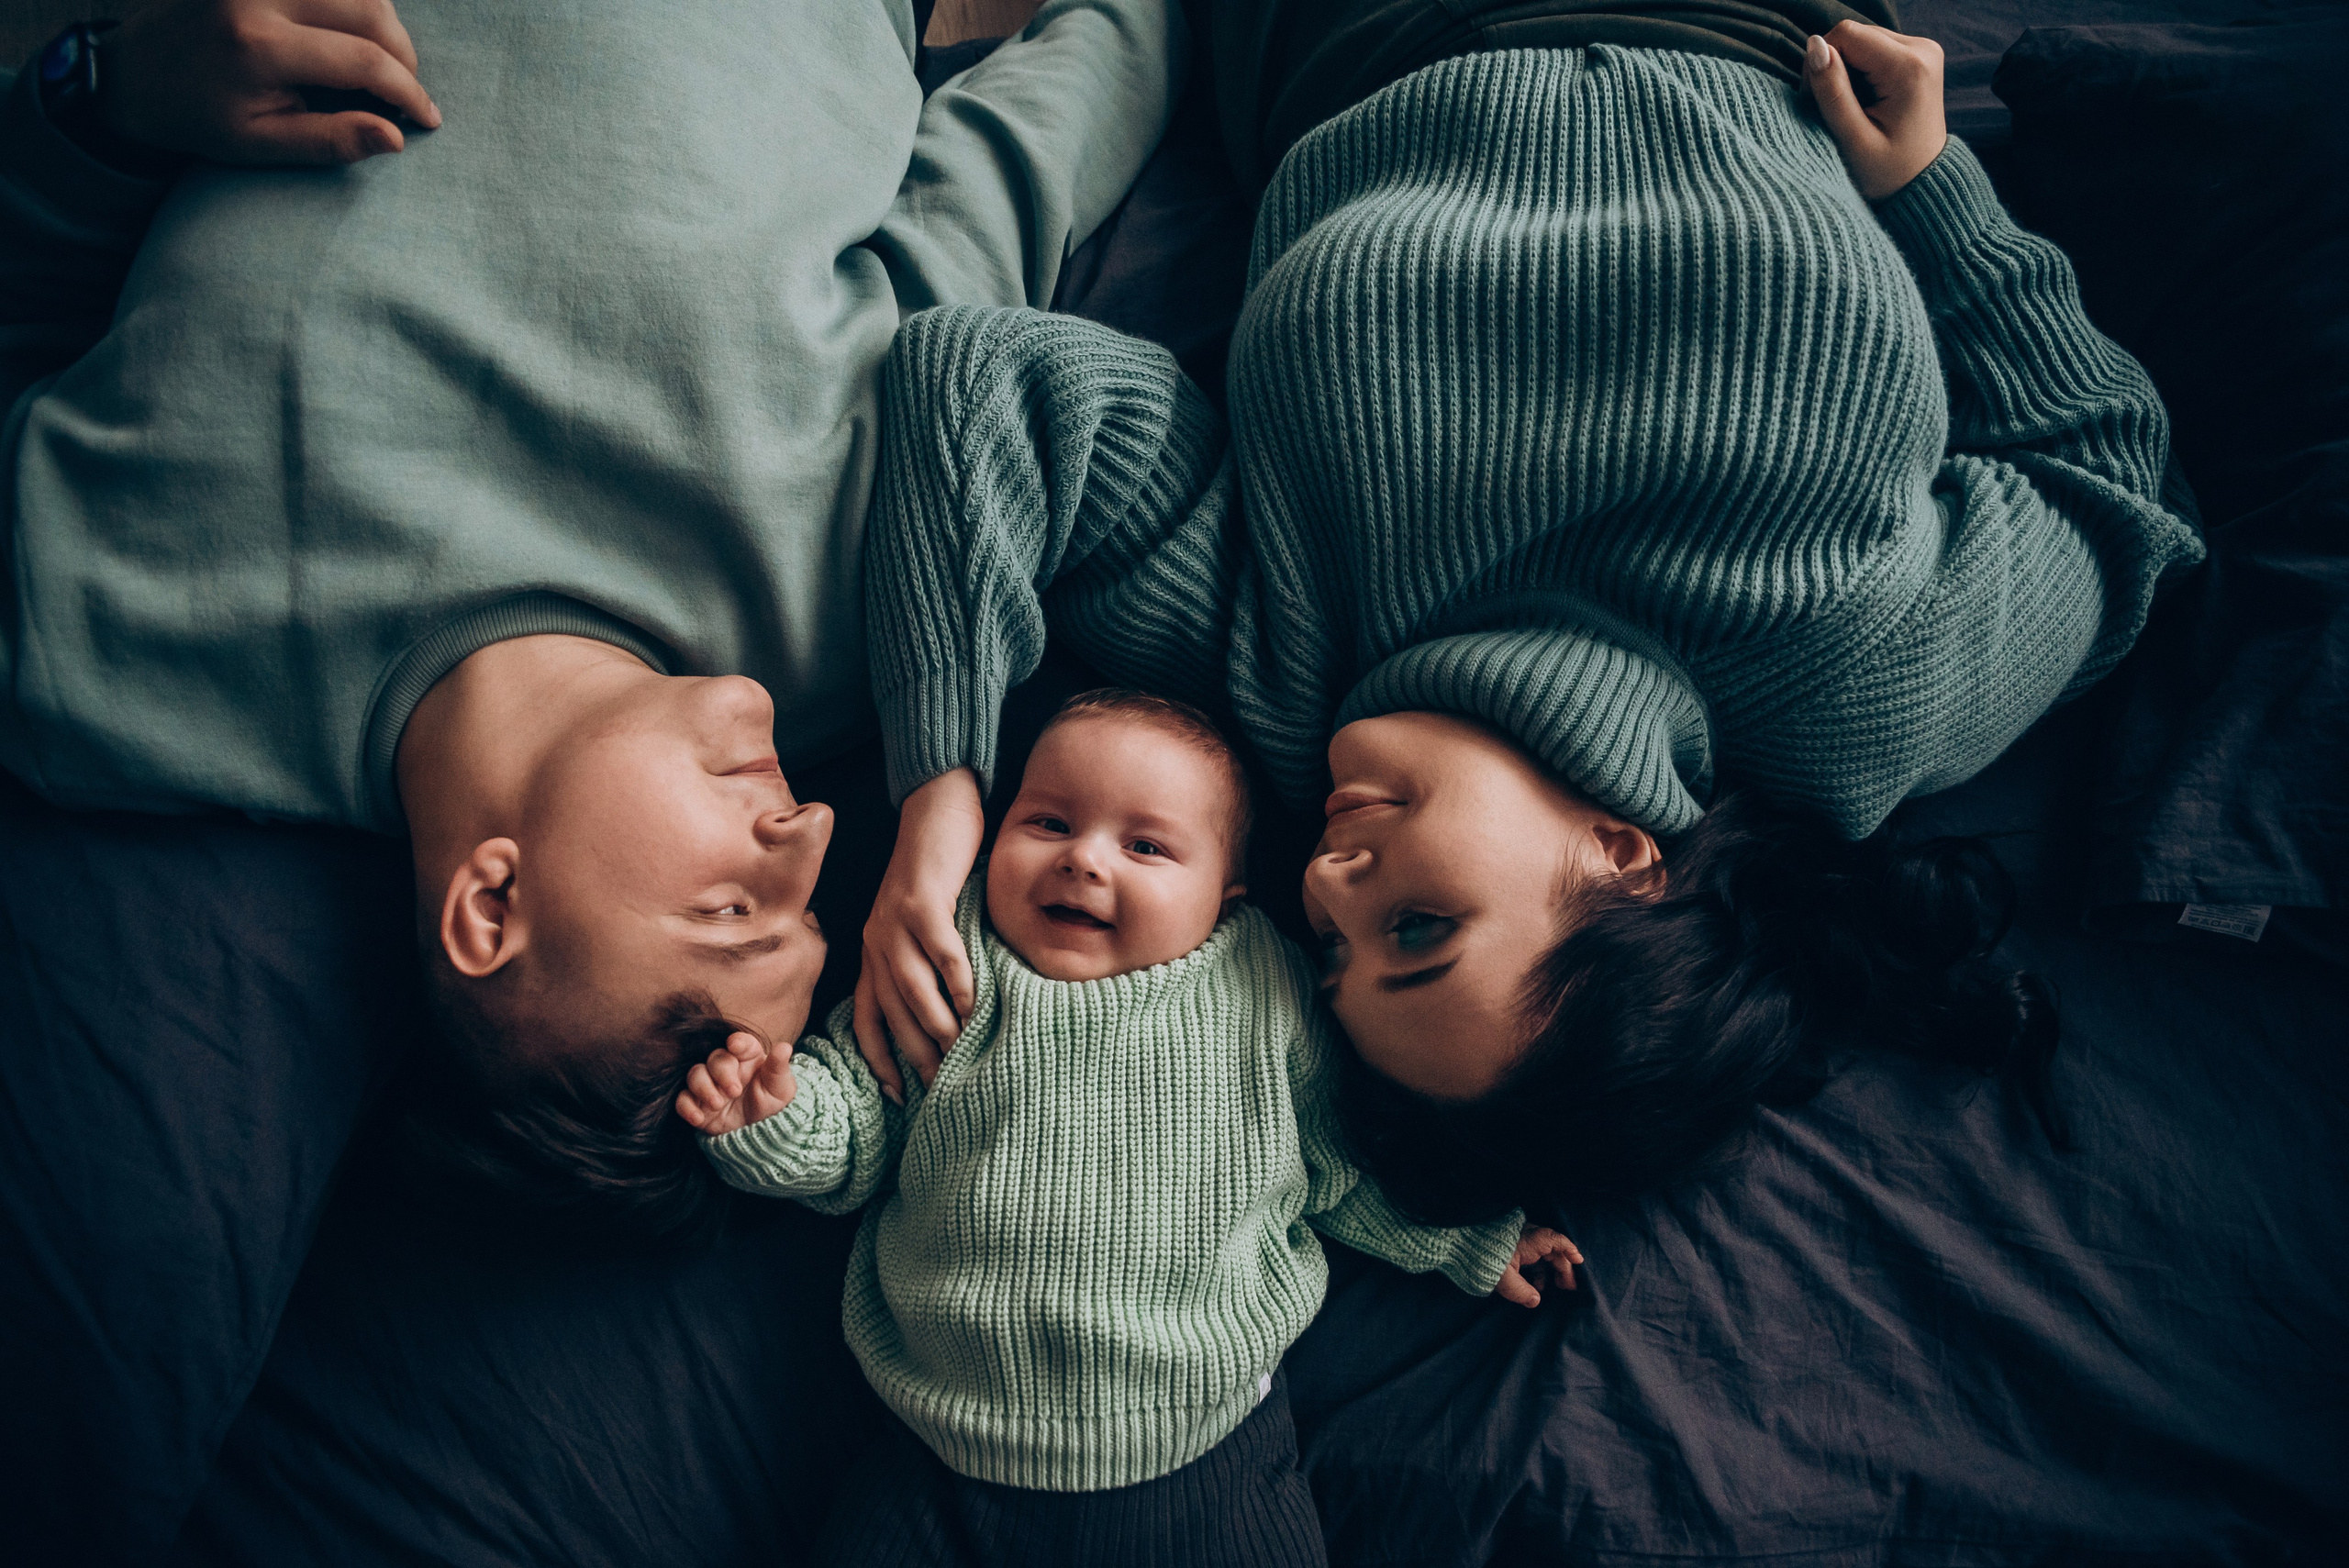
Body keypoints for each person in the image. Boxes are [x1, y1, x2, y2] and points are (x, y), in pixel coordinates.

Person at [842, 12, 2206, 1222]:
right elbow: (2109, 480)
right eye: (1420, 930)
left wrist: (942, 795)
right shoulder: (1858, 693)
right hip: (1744, 32)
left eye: (1332, 951)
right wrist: (1933, 192)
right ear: (1624, 858)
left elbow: (985, 384)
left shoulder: (1278, 668)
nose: (1325, 883)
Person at [0, 0, 1182, 1227]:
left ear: (490, 905)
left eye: (731, 910)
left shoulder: (99, 642)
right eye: (806, 913)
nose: (816, 829)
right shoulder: (866, 615)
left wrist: (106, 93)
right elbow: (1005, 182)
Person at [675, 689, 1578, 1567]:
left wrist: (1469, 1240)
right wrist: (777, 1115)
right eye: (1048, 823)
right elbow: (858, 1129)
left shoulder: (1266, 993)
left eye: (1144, 844)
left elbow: (1343, 1165)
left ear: (1224, 894)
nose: (1084, 860)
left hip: (1202, 1448)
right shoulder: (952, 957)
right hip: (940, 1446)